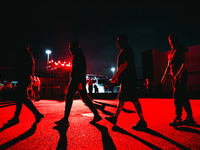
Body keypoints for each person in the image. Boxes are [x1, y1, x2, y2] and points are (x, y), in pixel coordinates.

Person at [55, 41, 102, 125]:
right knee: (84, 98)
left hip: (77, 81)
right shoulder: (79, 55)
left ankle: (66, 119)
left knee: (70, 98)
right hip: (76, 81)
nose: (69, 49)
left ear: (74, 47)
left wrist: (79, 83)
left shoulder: (79, 56)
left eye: (70, 47)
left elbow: (81, 70)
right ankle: (96, 115)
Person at [105, 35, 147, 129]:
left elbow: (125, 64)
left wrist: (115, 76)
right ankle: (115, 118)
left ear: (123, 41)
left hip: (128, 80)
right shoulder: (126, 50)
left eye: (118, 41)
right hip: (127, 80)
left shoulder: (126, 50)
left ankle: (142, 121)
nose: (117, 43)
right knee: (122, 99)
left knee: (134, 100)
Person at [161, 34, 195, 126]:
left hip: (181, 75)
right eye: (170, 39)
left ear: (176, 39)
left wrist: (179, 73)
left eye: (173, 39)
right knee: (183, 96)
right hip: (174, 77)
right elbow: (168, 65)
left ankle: (178, 117)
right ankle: (189, 118)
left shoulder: (182, 49)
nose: (171, 41)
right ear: (169, 41)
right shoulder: (170, 52)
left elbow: (185, 62)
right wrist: (164, 76)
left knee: (177, 95)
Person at [8, 43, 44, 124]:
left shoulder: (23, 55)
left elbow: (18, 67)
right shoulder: (28, 56)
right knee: (21, 99)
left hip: (22, 78)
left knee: (22, 98)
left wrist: (13, 76)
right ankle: (17, 117)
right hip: (24, 78)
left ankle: (36, 114)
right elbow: (30, 69)